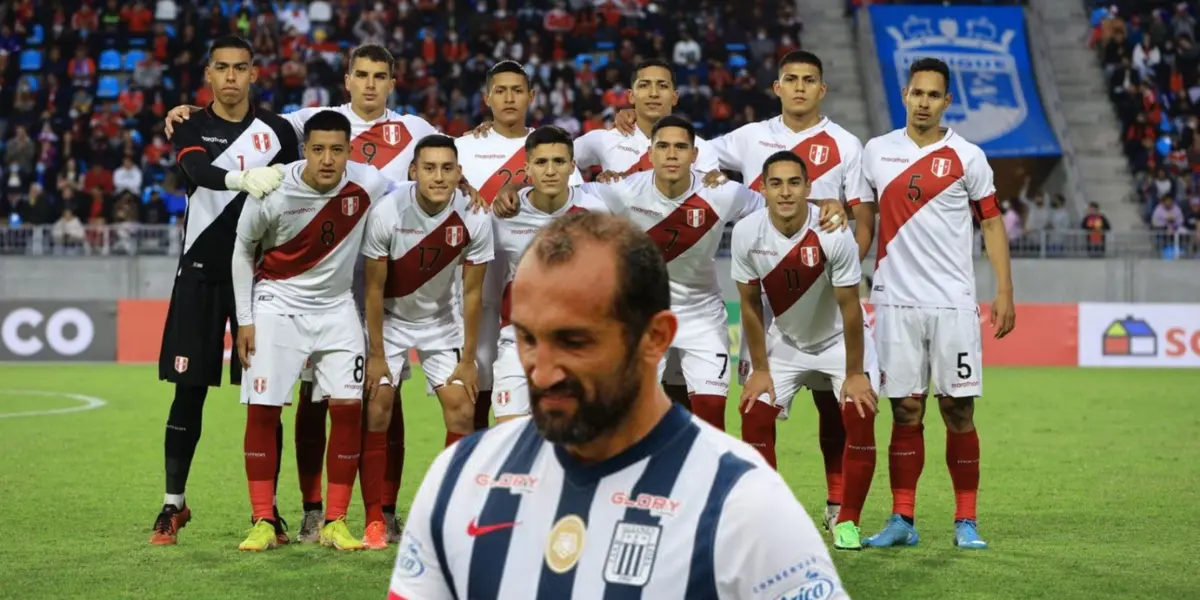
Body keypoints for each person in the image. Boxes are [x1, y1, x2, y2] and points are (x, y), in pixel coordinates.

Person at [386, 211, 849, 600]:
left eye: (575, 341)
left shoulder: (744, 502)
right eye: (527, 338)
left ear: (656, 339)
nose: (542, 372)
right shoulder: (459, 477)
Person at [166, 43, 439, 544]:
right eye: (362, 74)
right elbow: (246, 121)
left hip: (368, 285)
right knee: (302, 402)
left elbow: (442, 169)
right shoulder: (306, 126)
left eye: (381, 75)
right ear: (347, 80)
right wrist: (188, 113)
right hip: (293, 291)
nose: (371, 84)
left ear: (393, 81)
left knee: (377, 398)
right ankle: (305, 512)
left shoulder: (412, 137)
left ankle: (377, 510)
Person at [860, 57, 1015, 550]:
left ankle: (965, 520)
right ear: (904, 94)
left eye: (934, 95)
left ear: (947, 101)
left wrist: (1005, 292)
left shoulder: (968, 156)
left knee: (957, 409)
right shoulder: (875, 152)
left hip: (953, 303)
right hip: (894, 301)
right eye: (917, 93)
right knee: (905, 409)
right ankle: (902, 519)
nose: (923, 102)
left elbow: (991, 223)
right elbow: (862, 220)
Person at [151, 35, 300, 547]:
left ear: (254, 74)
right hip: (198, 274)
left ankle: (269, 512)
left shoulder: (280, 131)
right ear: (209, 75)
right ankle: (173, 504)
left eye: (241, 68)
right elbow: (194, 170)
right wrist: (242, 179)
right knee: (187, 391)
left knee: (265, 398)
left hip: (261, 283)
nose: (232, 77)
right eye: (222, 68)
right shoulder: (190, 124)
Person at [231, 109, 392, 552]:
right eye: (318, 149)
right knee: (263, 409)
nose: (327, 159)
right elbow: (243, 250)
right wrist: (245, 320)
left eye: (336, 150)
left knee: (347, 409)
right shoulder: (274, 187)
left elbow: (417, 194)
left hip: (337, 309)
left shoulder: (369, 183)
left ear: (349, 152)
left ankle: (335, 522)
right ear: (305, 150)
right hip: (276, 306)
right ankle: (264, 519)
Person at [731, 151, 879, 550]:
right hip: (788, 342)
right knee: (753, 412)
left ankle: (847, 520)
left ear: (809, 188)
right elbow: (748, 305)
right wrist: (759, 369)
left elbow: (851, 309)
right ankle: (770, 520)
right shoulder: (747, 233)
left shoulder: (833, 232)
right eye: (775, 183)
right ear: (761, 188)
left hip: (839, 343)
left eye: (794, 183)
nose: (785, 192)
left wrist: (854, 373)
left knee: (861, 414)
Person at [359, 134, 494, 549]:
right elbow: (374, 291)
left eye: (447, 168)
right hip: (391, 323)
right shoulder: (386, 213)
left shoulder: (474, 216)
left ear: (459, 173)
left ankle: (449, 516)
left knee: (462, 410)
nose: (439, 176)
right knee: (379, 406)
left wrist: (469, 358)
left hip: (441, 324)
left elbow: (473, 294)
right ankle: (375, 520)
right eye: (430, 168)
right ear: (413, 171)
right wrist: (378, 356)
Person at [575, 58, 720, 407]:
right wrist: (591, 186)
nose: (653, 92)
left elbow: (709, 201)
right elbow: (554, 161)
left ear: (676, 95)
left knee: (689, 404)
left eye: (662, 85)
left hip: (692, 296)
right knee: (632, 404)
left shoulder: (702, 150)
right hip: (628, 296)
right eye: (645, 85)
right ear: (630, 95)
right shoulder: (602, 141)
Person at [454, 60, 585, 435]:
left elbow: (572, 196)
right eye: (501, 90)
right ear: (487, 97)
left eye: (517, 90)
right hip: (477, 289)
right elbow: (428, 176)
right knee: (473, 393)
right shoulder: (464, 147)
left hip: (524, 290)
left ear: (531, 96)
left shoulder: (549, 147)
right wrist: (465, 187)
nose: (509, 98)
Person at [489, 126, 609, 424]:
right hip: (519, 341)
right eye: (541, 162)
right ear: (527, 168)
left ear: (572, 166)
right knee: (509, 435)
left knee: (575, 444)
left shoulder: (596, 211)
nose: (551, 170)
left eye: (559, 162)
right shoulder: (503, 215)